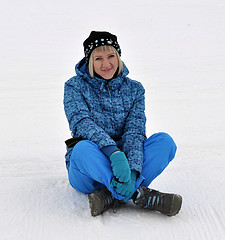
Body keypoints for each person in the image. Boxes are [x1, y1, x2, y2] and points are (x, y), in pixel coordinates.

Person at [63, 31, 182, 217]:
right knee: (81, 149)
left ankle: (111, 195)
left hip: (127, 165)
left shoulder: (135, 89)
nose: (106, 64)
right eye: (98, 58)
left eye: (111, 56)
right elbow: (81, 123)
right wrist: (114, 153)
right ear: (89, 61)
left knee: (164, 142)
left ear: (118, 56)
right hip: (91, 168)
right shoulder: (74, 86)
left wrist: (133, 170)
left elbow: (135, 131)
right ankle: (136, 194)